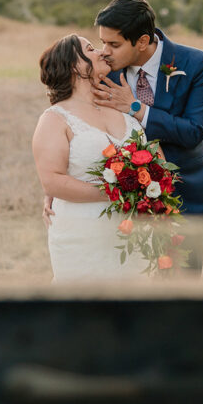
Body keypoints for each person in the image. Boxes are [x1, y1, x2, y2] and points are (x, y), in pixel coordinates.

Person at [89, 0, 203, 274]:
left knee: (179, 285)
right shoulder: (104, 71)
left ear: (142, 41)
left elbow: (193, 131)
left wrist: (137, 109)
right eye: (102, 42)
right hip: (122, 198)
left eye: (113, 44)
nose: (105, 52)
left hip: (184, 195)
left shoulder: (195, 63)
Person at [32, 34, 147, 282]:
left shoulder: (117, 104)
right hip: (82, 236)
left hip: (134, 235)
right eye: (91, 48)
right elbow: (51, 181)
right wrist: (116, 192)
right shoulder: (54, 119)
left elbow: (151, 156)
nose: (102, 52)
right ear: (75, 66)